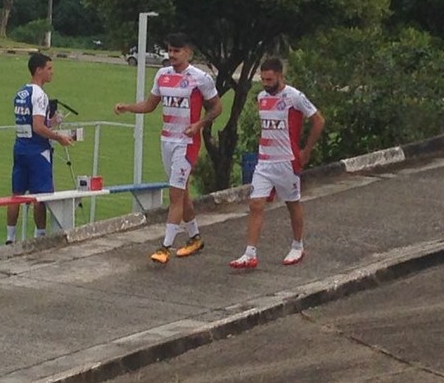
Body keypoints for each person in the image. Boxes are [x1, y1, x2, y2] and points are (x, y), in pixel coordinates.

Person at [114, 33, 222, 264]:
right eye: (170, 51)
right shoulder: (162, 75)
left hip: (187, 142)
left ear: (188, 52)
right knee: (181, 193)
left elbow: (217, 107)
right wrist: (128, 107)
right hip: (166, 140)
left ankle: (165, 246)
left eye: (177, 51)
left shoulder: (200, 78)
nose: (172, 55)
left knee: (174, 194)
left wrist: (200, 124)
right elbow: (150, 105)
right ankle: (194, 238)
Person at [229, 58, 325, 269]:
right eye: (262, 79)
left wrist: (306, 150)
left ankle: (297, 245)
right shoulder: (261, 97)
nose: (265, 83)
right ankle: (250, 253)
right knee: (255, 204)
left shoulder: (294, 97)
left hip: (286, 161)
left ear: (280, 75)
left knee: (292, 203)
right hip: (264, 161)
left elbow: (318, 120)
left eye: (269, 79)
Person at [6, 53, 73, 244]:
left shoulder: (21, 93)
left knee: (16, 194)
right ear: (39, 70)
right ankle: (40, 238)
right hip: (37, 150)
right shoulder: (40, 95)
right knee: (40, 196)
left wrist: (52, 121)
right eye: (49, 68)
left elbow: (34, 123)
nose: (52, 72)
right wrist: (59, 136)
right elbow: (38, 127)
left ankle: (10, 238)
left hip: (20, 146)